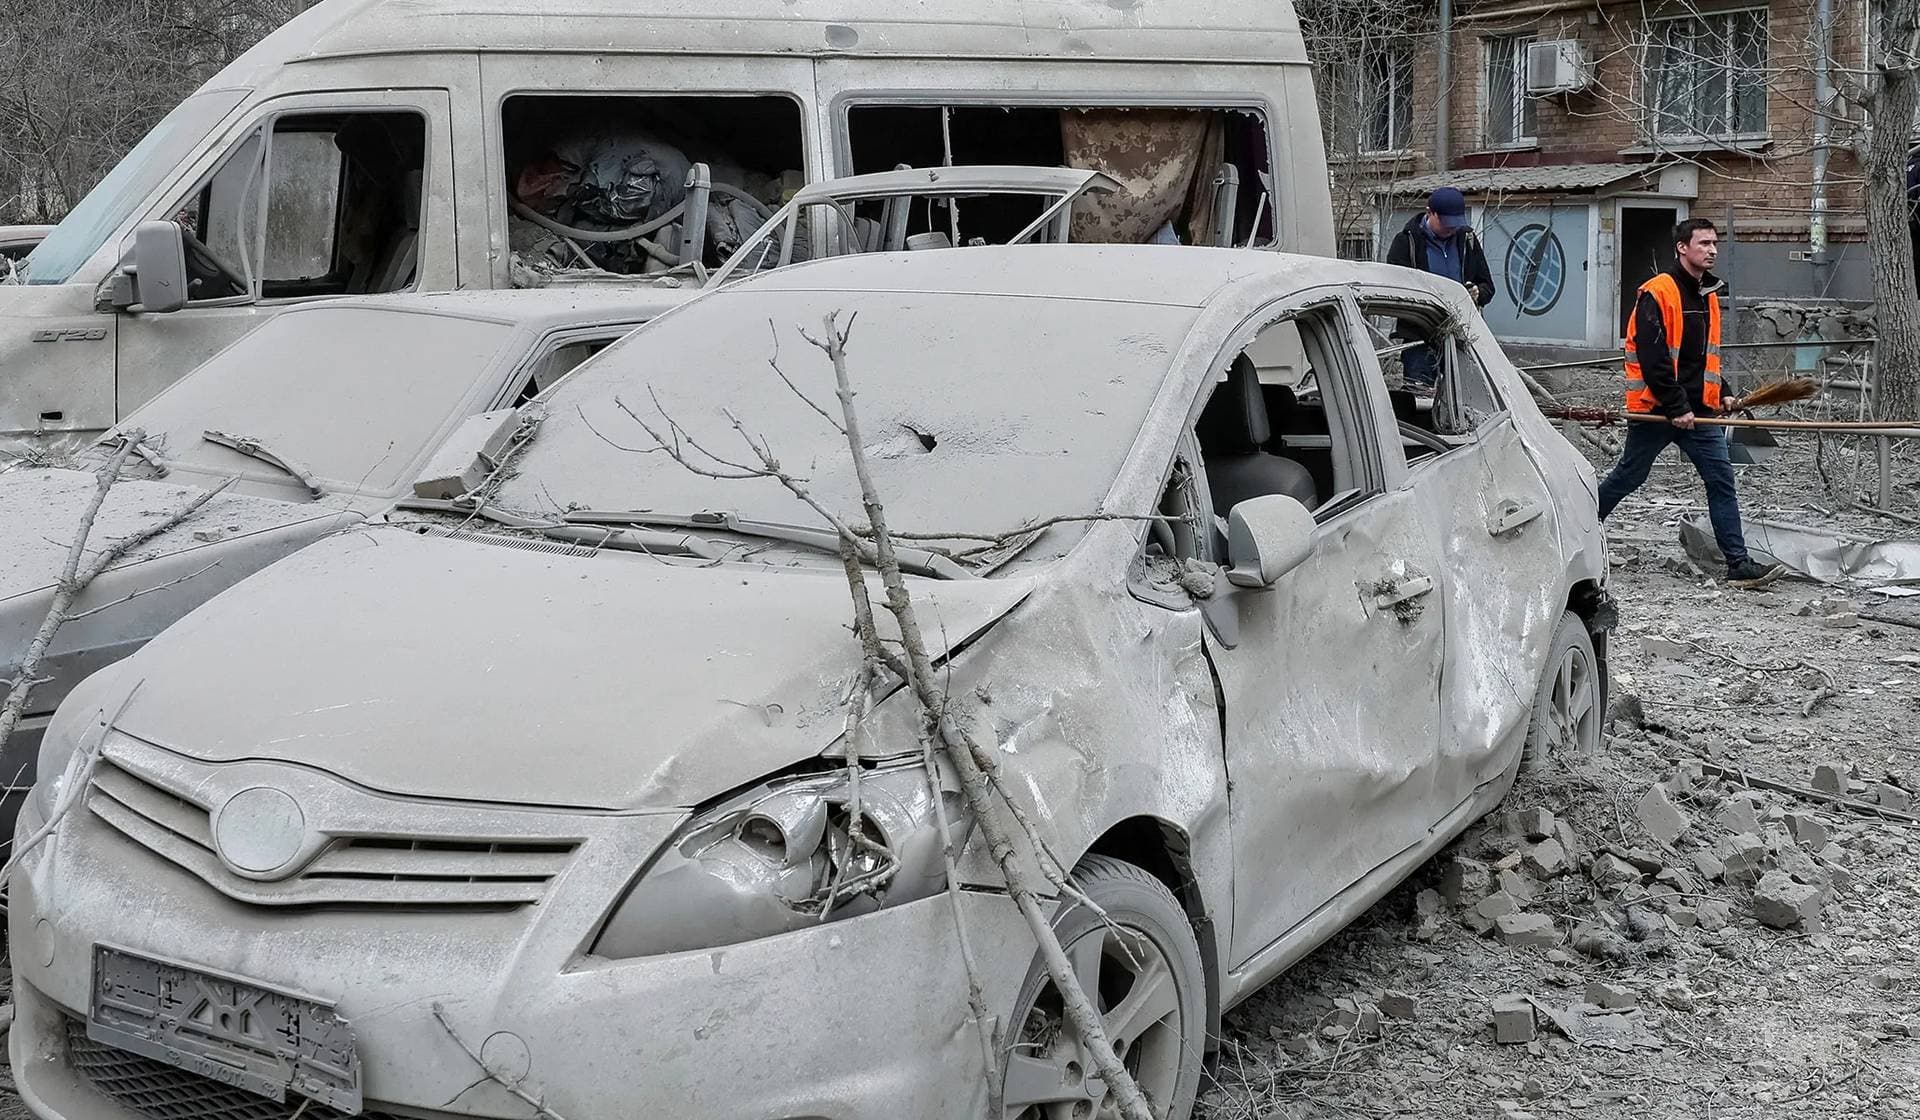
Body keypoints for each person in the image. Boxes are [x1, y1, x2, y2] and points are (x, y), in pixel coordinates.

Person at [1597, 218, 1785, 587]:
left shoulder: (1708, 294)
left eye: (1715, 244)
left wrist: (1724, 391)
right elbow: (1654, 359)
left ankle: (1738, 564)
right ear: (1682, 247)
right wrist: (1676, 407)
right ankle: (1578, 530)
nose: (1712, 250)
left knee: (1721, 480)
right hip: (1656, 410)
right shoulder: (1658, 292)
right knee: (1630, 476)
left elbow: (1704, 358)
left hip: (1699, 414)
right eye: (1704, 244)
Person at [1385, 187, 1496, 388]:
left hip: (1460, 337)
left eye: (1455, 224)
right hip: (1420, 340)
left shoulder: (1467, 240)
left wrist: (1477, 293)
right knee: (1417, 397)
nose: (1451, 229)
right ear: (1430, 213)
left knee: (1467, 397)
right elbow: (1393, 292)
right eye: (1446, 223)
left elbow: (1488, 286)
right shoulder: (1406, 242)